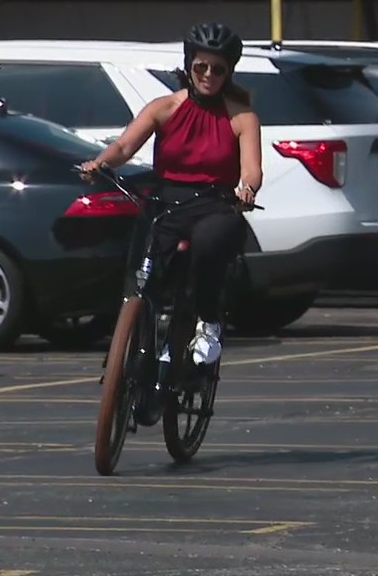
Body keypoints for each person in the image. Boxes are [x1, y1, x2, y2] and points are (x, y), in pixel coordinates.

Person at [80, 22, 262, 374]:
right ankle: (133, 346)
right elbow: (123, 146)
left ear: (229, 72)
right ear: (189, 65)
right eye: (201, 67)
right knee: (144, 273)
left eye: (218, 69)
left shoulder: (242, 116)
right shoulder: (163, 107)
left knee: (210, 247)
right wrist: (100, 163)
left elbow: (252, 169)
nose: (208, 75)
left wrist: (247, 190)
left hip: (215, 202)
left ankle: (207, 323)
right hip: (167, 200)